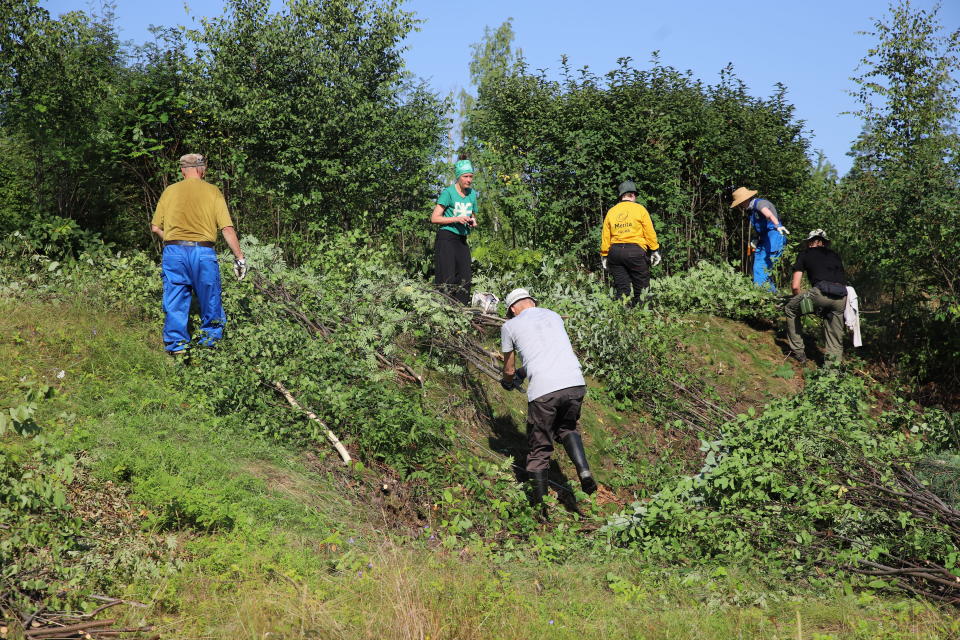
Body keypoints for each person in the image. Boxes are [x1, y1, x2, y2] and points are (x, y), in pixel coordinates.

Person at [500, 288, 597, 518]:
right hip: (574, 382)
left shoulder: (509, 326)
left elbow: (509, 369)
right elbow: (547, 352)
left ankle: (541, 509)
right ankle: (583, 471)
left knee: (540, 446)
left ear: (513, 309)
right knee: (567, 428)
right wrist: (525, 373)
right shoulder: (553, 315)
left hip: (544, 391)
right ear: (532, 302)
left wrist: (507, 381)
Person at [150, 153, 246, 354]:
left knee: (175, 298)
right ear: (203, 169)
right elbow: (227, 229)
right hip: (203, 252)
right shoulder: (213, 191)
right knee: (210, 298)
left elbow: (155, 227)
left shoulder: (170, 191)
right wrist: (240, 258)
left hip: (174, 251)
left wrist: (173, 240)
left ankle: (177, 347)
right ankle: (209, 346)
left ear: (182, 170)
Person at [783, 229, 848, 363]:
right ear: (824, 243)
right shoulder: (835, 255)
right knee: (834, 336)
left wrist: (800, 302)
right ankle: (832, 374)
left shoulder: (805, 254)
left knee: (790, 309)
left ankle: (799, 352)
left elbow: (795, 286)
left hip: (820, 294)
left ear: (810, 242)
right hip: (841, 297)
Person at [600, 180, 661, 305]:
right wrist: (654, 249)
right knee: (642, 287)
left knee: (622, 289)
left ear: (621, 195)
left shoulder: (611, 211)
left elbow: (606, 235)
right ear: (632, 195)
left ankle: (623, 318)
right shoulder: (640, 209)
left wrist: (605, 255)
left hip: (615, 253)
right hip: (635, 251)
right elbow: (649, 231)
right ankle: (642, 315)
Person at [430, 157, 477, 305]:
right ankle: (444, 312)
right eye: (465, 176)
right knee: (447, 278)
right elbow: (434, 218)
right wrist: (456, 219)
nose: (469, 180)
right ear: (458, 177)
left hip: (461, 239)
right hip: (446, 237)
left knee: (465, 277)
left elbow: (472, 215)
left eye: (471, 176)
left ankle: (461, 313)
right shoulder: (448, 193)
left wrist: (473, 221)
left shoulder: (472, 194)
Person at [730, 187, 790, 292]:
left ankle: (763, 295)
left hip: (774, 236)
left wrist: (778, 225)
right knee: (758, 267)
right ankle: (770, 295)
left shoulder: (759, 204)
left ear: (745, 200)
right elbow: (760, 226)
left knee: (764, 267)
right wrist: (755, 239)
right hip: (763, 239)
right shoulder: (750, 210)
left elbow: (768, 214)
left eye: (740, 203)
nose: (740, 205)